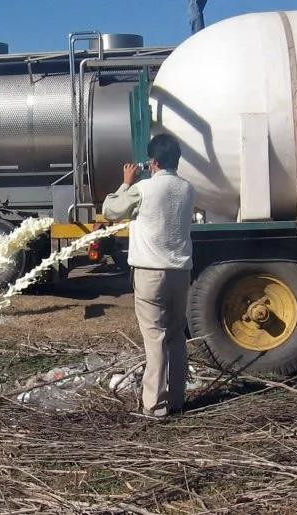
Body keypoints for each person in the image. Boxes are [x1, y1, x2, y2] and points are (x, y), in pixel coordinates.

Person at [102, 134, 196, 417]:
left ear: (152, 162)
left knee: (154, 336)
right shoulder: (188, 188)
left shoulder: (143, 188)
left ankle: (155, 405)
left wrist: (126, 181)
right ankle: (177, 399)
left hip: (149, 272)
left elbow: (110, 210)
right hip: (180, 270)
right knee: (177, 334)